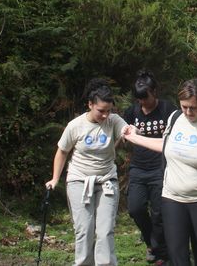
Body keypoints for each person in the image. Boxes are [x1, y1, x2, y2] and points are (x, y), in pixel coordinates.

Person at [123, 79, 197, 266]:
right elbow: (165, 145)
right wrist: (135, 138)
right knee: (177, 255)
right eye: (184, 106)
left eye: (193, 108)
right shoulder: (175, 118)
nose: (188, 112)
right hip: (172, 198)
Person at [46, 78, 128, 266]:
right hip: (79, 181)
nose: (105, 115)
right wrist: (55, 178)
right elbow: (62, 151)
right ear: (90, 105)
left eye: (109, 111)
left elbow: (125, 128)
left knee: (105, 229)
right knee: (84, 229)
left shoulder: (113, 121)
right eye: (101, 111)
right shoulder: (76, 125)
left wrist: (130, 131)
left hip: (107, 180)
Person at [123, 70, 177, 264]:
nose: (142, 103)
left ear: (155, 92)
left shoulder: (167, 109)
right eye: (139, 100)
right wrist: (128, 131)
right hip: (138, 168)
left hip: (161, 168)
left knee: (158, 213)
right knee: (135, 209)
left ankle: (160, 252)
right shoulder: (132, 111)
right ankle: (152, 243)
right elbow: (124, 132)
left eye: (145, 99)